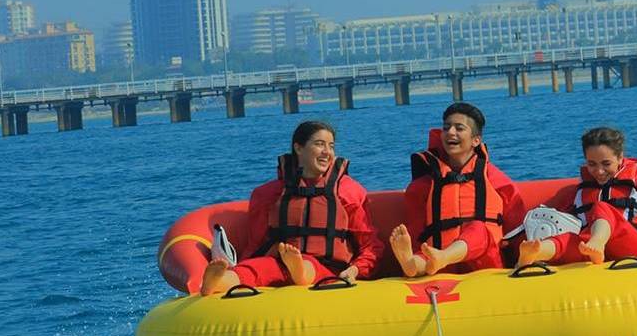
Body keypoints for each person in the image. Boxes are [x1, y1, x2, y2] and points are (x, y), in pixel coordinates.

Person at [200, 120, 383, 295]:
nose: (327, 152)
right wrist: (247, 263)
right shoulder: (270, 193)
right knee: (257, 269)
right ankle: (218, 282)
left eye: (331, 146)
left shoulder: (348, 191)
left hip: (329, 270)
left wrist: (356, 269)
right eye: (319, 144)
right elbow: (257, 243)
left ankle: (300, 272)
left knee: (306, 265)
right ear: (298, 148)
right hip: (282, 262)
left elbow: (370, 244)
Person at [390, 102, 526, 277]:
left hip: (486, 264)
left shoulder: (497, 180)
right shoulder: (423, 186)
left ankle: (442, 257)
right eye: (446, 128)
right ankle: (411, 265)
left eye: (459, 128)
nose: (450, 132)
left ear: (476, 140)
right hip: (438, 263)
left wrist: (521, 262)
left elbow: (517, 230)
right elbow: (418, 234)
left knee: (479, 229)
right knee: (423, 253)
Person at [517, 126, 637, 266]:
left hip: (631, 247)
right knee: (570, 239)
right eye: (592, 164)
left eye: (606, 163)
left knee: (601, 207)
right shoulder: (579, 190)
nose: (599, 171)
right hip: (588, 248)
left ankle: (597, 243)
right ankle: (534, 254)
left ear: (620, 157)